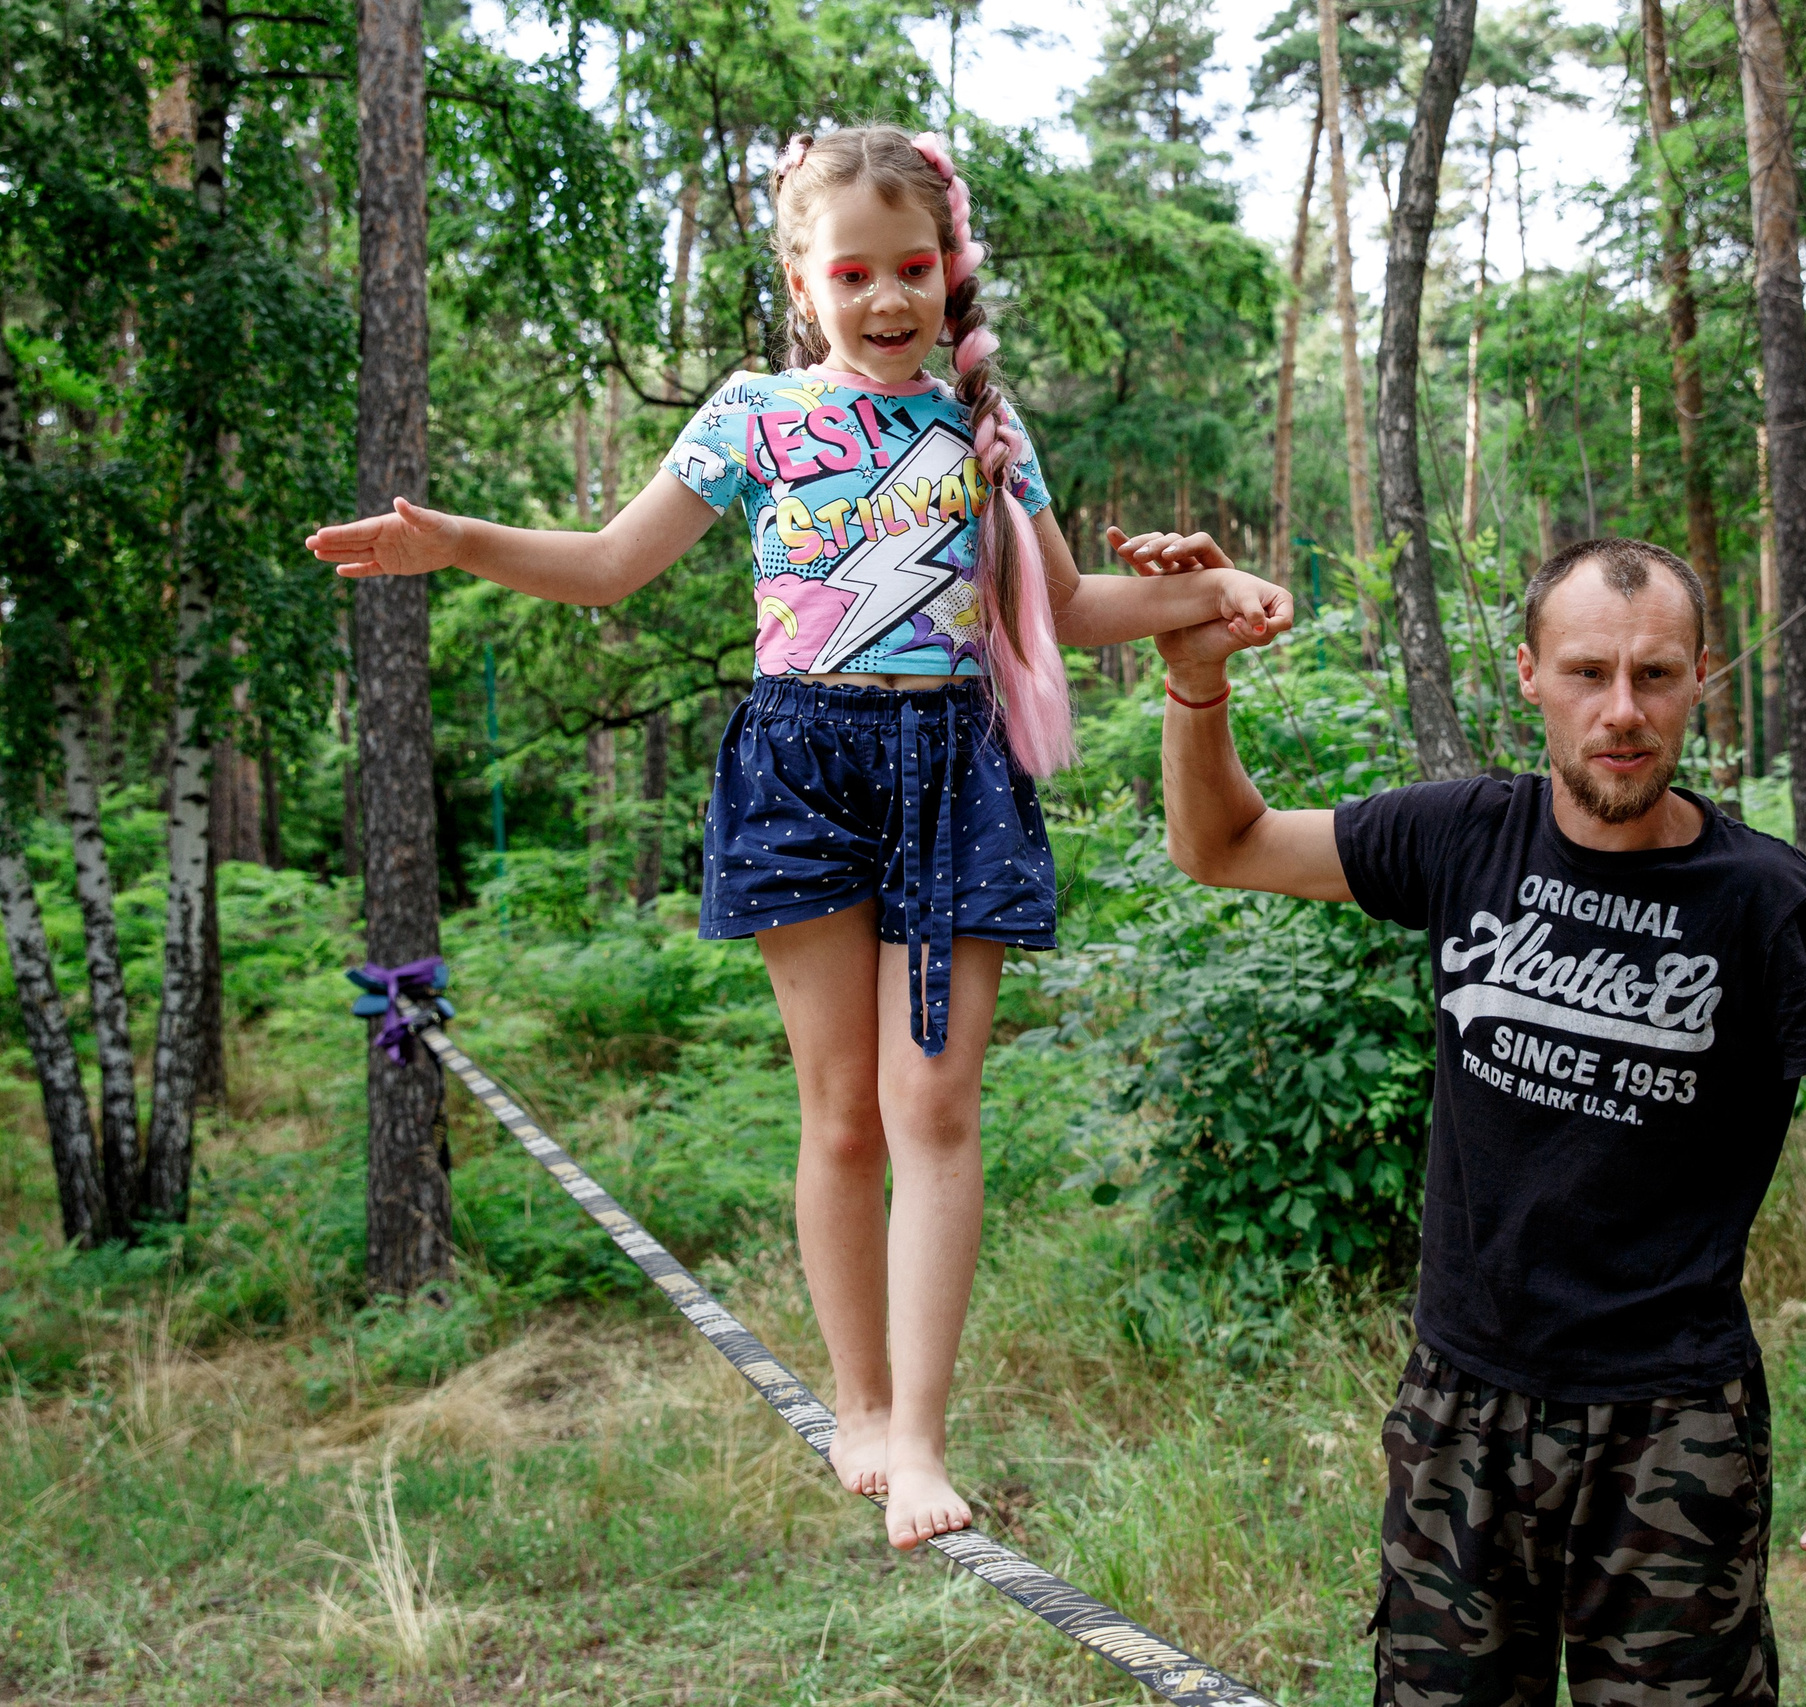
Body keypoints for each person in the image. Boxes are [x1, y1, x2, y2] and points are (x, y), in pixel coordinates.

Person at [307, 124, 1292, 1550]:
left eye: (915, 267)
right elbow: (606, 565)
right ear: (800, 275)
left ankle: (929, 1432)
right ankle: (863, 1402)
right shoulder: (755, 414)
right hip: (802, 758)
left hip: (952, 763)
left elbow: (1067, 612)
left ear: (949, 271)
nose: (889, 297)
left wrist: (1217, 597)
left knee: (936, 1108)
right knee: (839, 1113)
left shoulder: (985, 429)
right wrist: (458, 540)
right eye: (855, 271)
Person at [1125, 530, 1806, 1702]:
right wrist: (1196, 678)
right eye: (1586, 672)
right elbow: (1220, 845)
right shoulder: (1463, 836)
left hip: (1674, 1423)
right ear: (1529, 675)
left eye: (1655, 675)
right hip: (1461, 1406)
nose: (1621, 710)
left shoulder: (1762, 903)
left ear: (1701, 681)